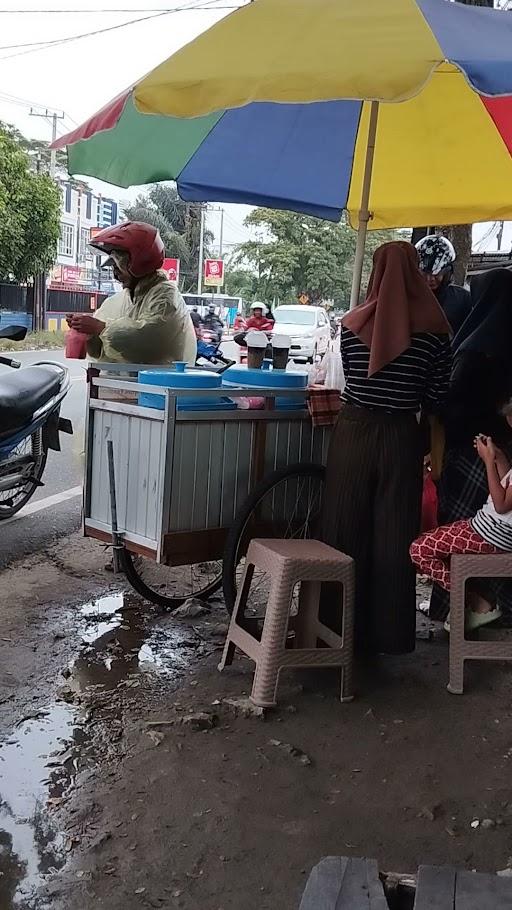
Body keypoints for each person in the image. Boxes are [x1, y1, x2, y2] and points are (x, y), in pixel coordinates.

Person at [321, 241, 452, 655]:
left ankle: (335, 629)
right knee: (394, 534)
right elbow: (437, 398)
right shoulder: (434, 332)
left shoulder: (351, 325)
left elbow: (351, 380)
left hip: (353, 434)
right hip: (400, 437)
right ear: (416, 272)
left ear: (375, 273)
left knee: (344, 528)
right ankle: (388, 636)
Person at [429, 269, 512, 622]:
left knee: (460, 533)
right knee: (493, 536)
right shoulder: (505, 341)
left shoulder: (475, 346)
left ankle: (462, 607)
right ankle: (490, 608)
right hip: (500, 453)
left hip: (469, 452)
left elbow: (451, 402)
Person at [411, 424, 512, 631]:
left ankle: (473, 601)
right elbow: (506, 481)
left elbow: (501, 504)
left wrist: (487, 463)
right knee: (443, 546)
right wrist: (497, 457)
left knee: (419, 550)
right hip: (486, 529)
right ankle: (473, 599)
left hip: (489, 533)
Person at [66, 221, 196, 365]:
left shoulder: (165, 296)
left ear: (138, 263)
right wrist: (88, 332)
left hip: (157, 385)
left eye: (118, 267)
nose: (115, 275)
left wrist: (100, 328)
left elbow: (147, 340)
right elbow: (100, 352)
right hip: (122, 385)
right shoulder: (119, 300)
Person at [416, 234, 471, 337]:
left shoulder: (462, 299)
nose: (430, 279)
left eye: (437, 274)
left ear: (447, 272)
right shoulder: (409, 298)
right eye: (424, 274)